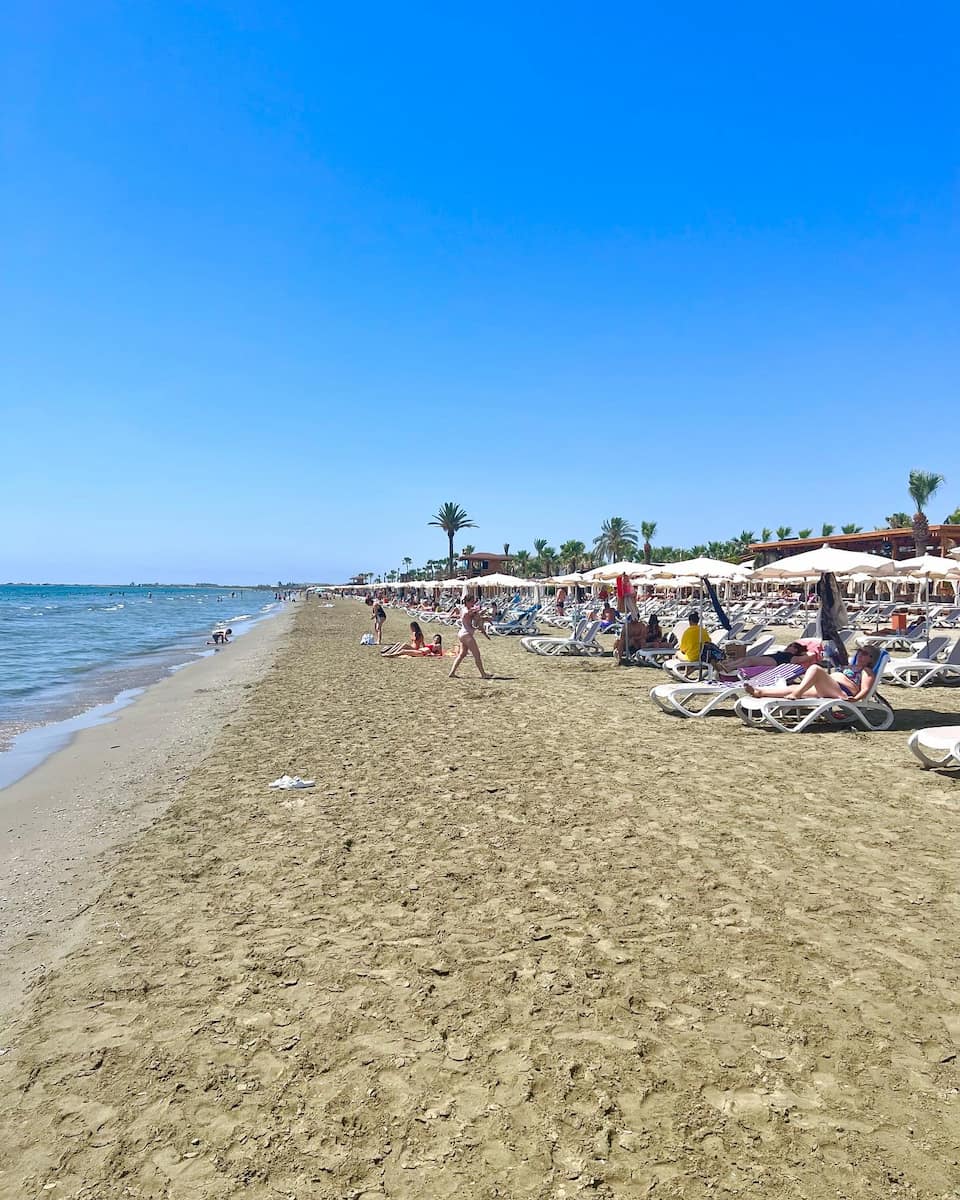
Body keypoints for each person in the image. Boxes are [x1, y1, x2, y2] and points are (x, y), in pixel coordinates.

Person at [745, 644, 882, 701]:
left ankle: (797, 694)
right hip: (829, 688)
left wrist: (856, 699)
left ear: (871, 659)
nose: (861, 655)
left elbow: (865, 688)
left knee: (815, 668)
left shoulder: (867, 671)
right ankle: (760, 692)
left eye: (865, 654)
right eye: (860, 652)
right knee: (793, 687)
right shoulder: (851, 666)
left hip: (843, 691)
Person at [718, 640, 818, 677]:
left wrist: (815, 649)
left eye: (792, 646)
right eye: (789, 645)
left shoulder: (794, 658)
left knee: (750, 661)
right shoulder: (785, 653)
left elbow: (810, 656)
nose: (788, 647)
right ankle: (726, 665)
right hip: (771, 658)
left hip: (774, 662)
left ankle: (730, 667)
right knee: (746, 659)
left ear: (796, 650)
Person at [448, 595, 492, 679]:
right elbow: (472, 615)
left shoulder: (465, 609)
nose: (473, 603)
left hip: (462, 634)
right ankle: (483, 674)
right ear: (467, 602)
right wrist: (482, 614)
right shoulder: (467, 610)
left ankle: (452, 672)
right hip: (466, 634)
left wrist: (483, 617)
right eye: (472, 601)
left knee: (462, 654)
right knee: (477, 654)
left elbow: (476, 619)